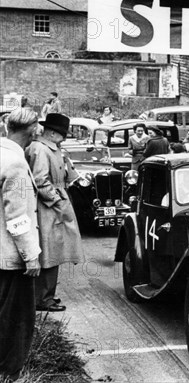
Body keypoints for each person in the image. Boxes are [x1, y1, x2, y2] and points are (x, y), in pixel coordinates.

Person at [26, 113, 84, 312]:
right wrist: (56, 200)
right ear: (51, 133)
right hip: (48, 207)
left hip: (53, 205)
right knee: (49, 250)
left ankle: (46, 295)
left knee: (55, 249)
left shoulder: (51, 148)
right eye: (61, 134)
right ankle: (42, 298)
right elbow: (40, 180)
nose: (64, 138)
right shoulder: (41, 150)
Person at [0, 109, 41, 381]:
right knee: (16, 320)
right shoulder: (15, 163)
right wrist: (30, 256)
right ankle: (8, 371)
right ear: (33, 130)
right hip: (10, 258)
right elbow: (17, 217)